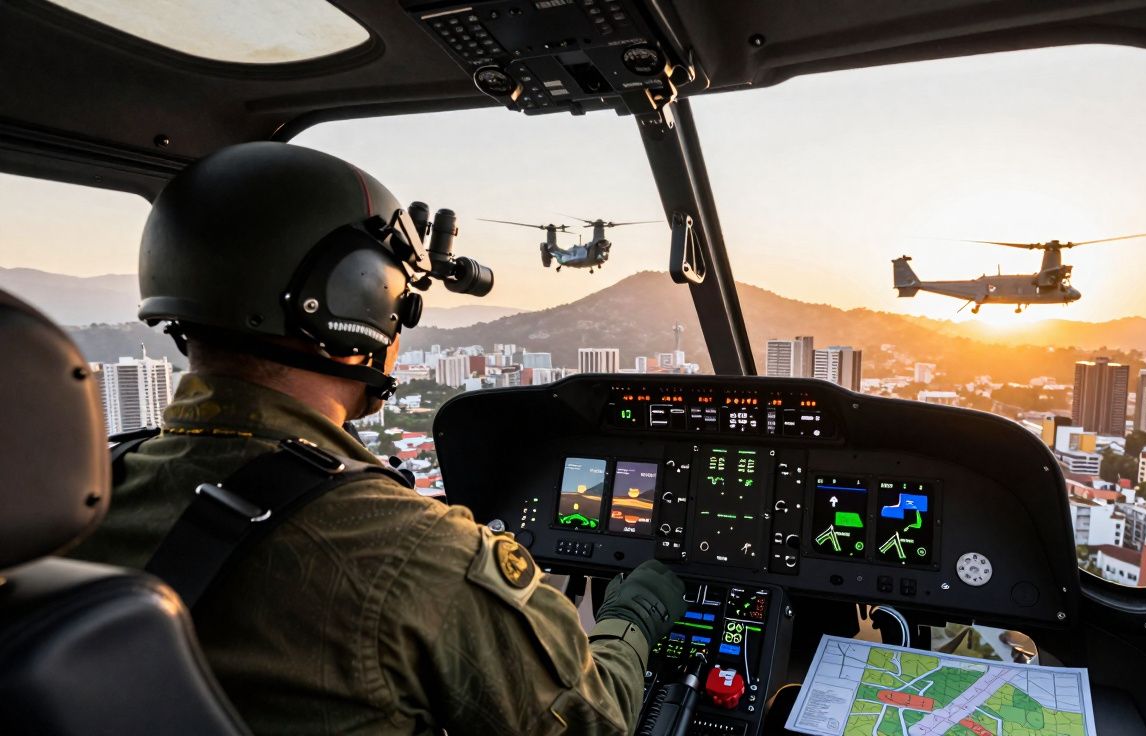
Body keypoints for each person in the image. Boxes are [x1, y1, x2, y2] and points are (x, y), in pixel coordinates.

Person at [70, 141, 687, 735]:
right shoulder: (414, 551)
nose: (400, 325)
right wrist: (634, 613)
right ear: (353, 300)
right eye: (400, 301)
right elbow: (594, 721)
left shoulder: (85, 496)